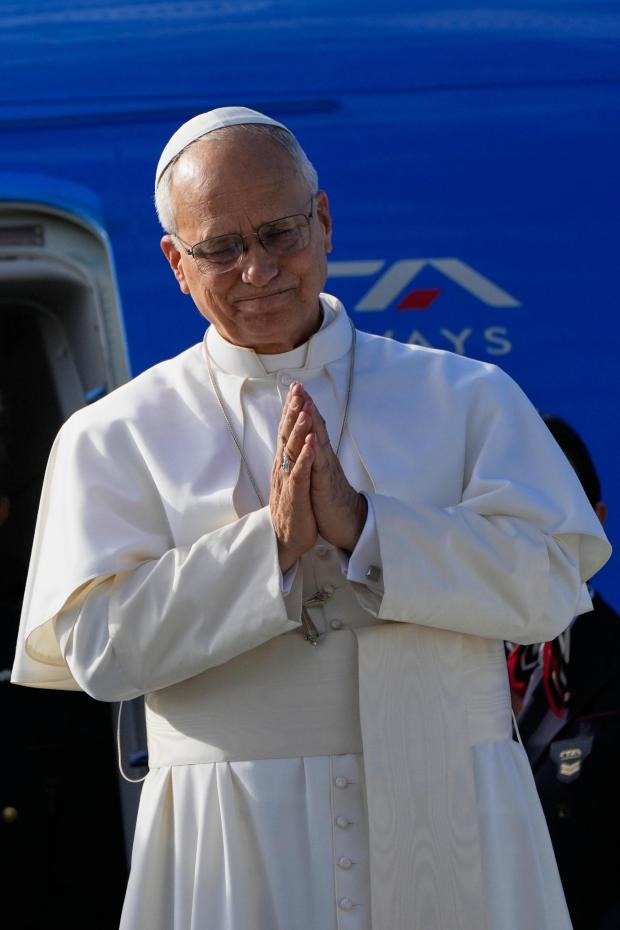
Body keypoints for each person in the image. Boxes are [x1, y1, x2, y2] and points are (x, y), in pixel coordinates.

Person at [11, 106, 611, 930]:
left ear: (323, 221)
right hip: (232, 837)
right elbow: (99, 654)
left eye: (279, 233)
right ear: (176, 263)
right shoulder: (114, 436)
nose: (257, 269)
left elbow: (550, 588)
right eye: (221, 248)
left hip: (458, 812)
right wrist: (272, 547)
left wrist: (367, 528)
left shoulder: (467, 399)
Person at [507, 415, 620, 930]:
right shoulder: (437, 663)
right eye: (514, 517)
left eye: (555, 516)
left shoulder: (612, 658)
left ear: (598, 520)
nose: (536, 540)